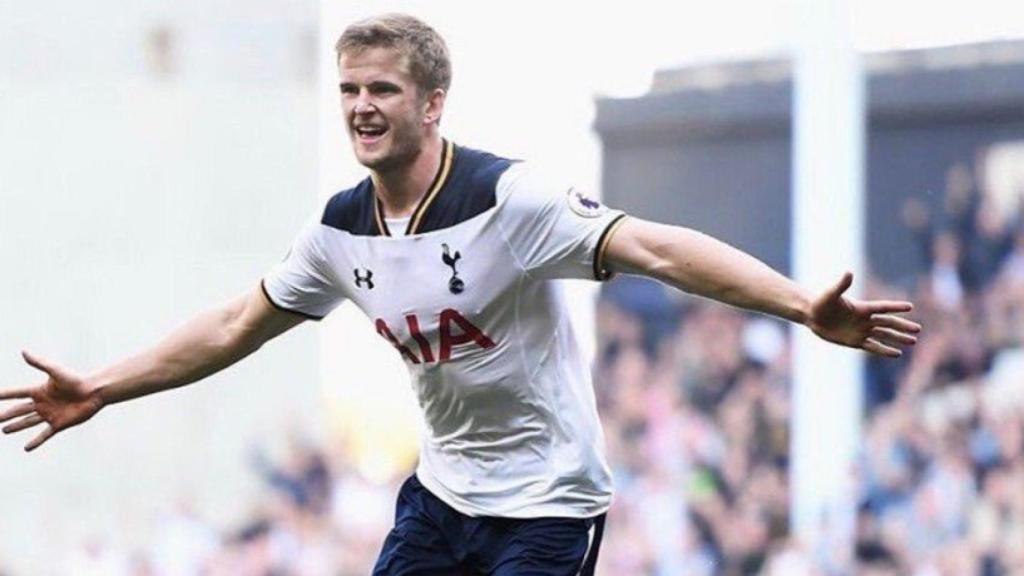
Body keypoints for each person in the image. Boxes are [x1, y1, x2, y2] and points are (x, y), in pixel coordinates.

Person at [0, 13, 921, 575]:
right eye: (349, 89)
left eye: (383, 89)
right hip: (443, 500)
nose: (361, 107)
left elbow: (657, 249)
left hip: (548, 506)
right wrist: (102, 387)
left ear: (433, 102)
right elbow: (235, 325)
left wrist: (801, 305)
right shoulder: (339, 231)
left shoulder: (509, 201)